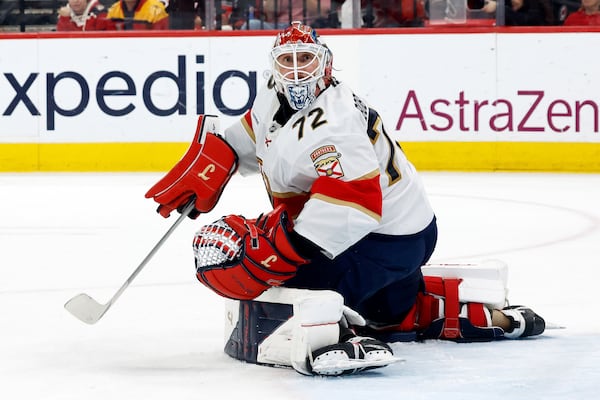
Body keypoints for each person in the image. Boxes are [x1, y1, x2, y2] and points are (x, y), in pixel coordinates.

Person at [145, 22, 546, 376]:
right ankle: (415, 310)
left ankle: (339, 334)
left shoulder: (336, 123)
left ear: (327, 65)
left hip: (386, 239)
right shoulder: (271, 92)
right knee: (389, 313)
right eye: (288, 60)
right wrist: (219, 158)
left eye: (307, 58)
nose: (298, 69)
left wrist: (283, 250)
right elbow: (256, 132)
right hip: (401, 228)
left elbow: (354, 205)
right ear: (274, 67)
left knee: (292, 281)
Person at [481, 0, 554, 25]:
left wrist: (499, 7)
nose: (513, 1)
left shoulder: (538, 5)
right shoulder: (510, 3)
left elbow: (531, 21)